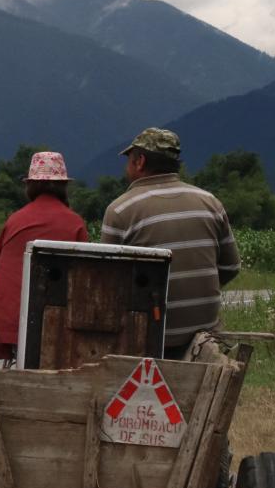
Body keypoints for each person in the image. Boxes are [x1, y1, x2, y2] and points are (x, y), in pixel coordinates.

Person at [101, 127, 240, 357]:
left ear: (140, 161)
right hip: (206, 339)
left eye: (129, 160)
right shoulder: (210, 203)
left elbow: (107, 284)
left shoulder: (120, 211)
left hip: (148, 339)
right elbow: (231, 267)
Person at [0, 151, 88, 363]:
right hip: (58, 325)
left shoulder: (14, 220)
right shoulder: (74, 223)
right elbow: (83, 282)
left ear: (30, 185)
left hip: (7, 324)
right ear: (63, 186)